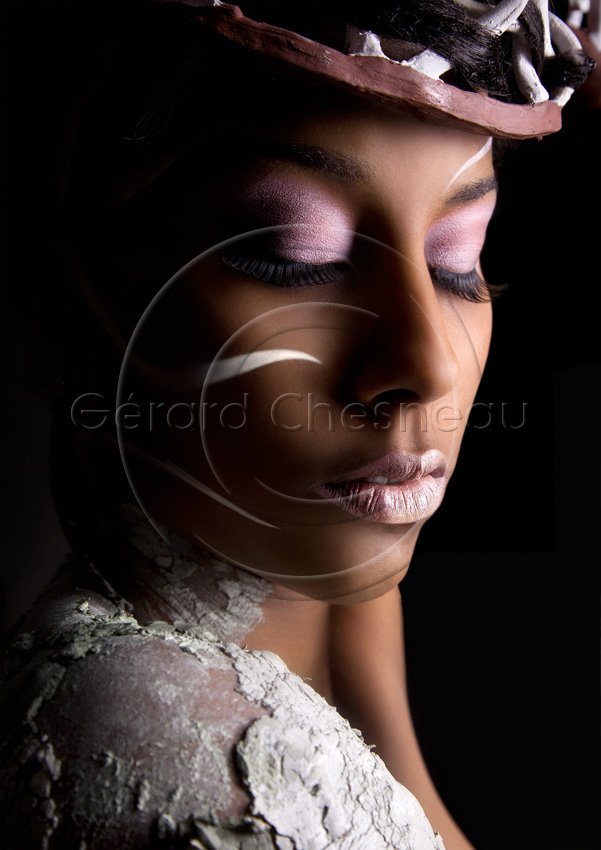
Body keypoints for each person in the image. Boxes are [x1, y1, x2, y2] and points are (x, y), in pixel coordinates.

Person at [0, 2, 596, 849]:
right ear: (83, 283)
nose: (427, 366)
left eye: (457, 261)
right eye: (293, 256)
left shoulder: (333, 610)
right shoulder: (155, 734)